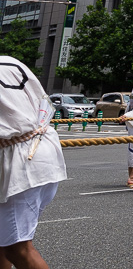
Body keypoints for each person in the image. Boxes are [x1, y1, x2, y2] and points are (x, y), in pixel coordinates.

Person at [0, 56, 66, 269]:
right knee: (3, 239)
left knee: (17, 247)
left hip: (18, 161)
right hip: (42, 150)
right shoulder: (9, 61)